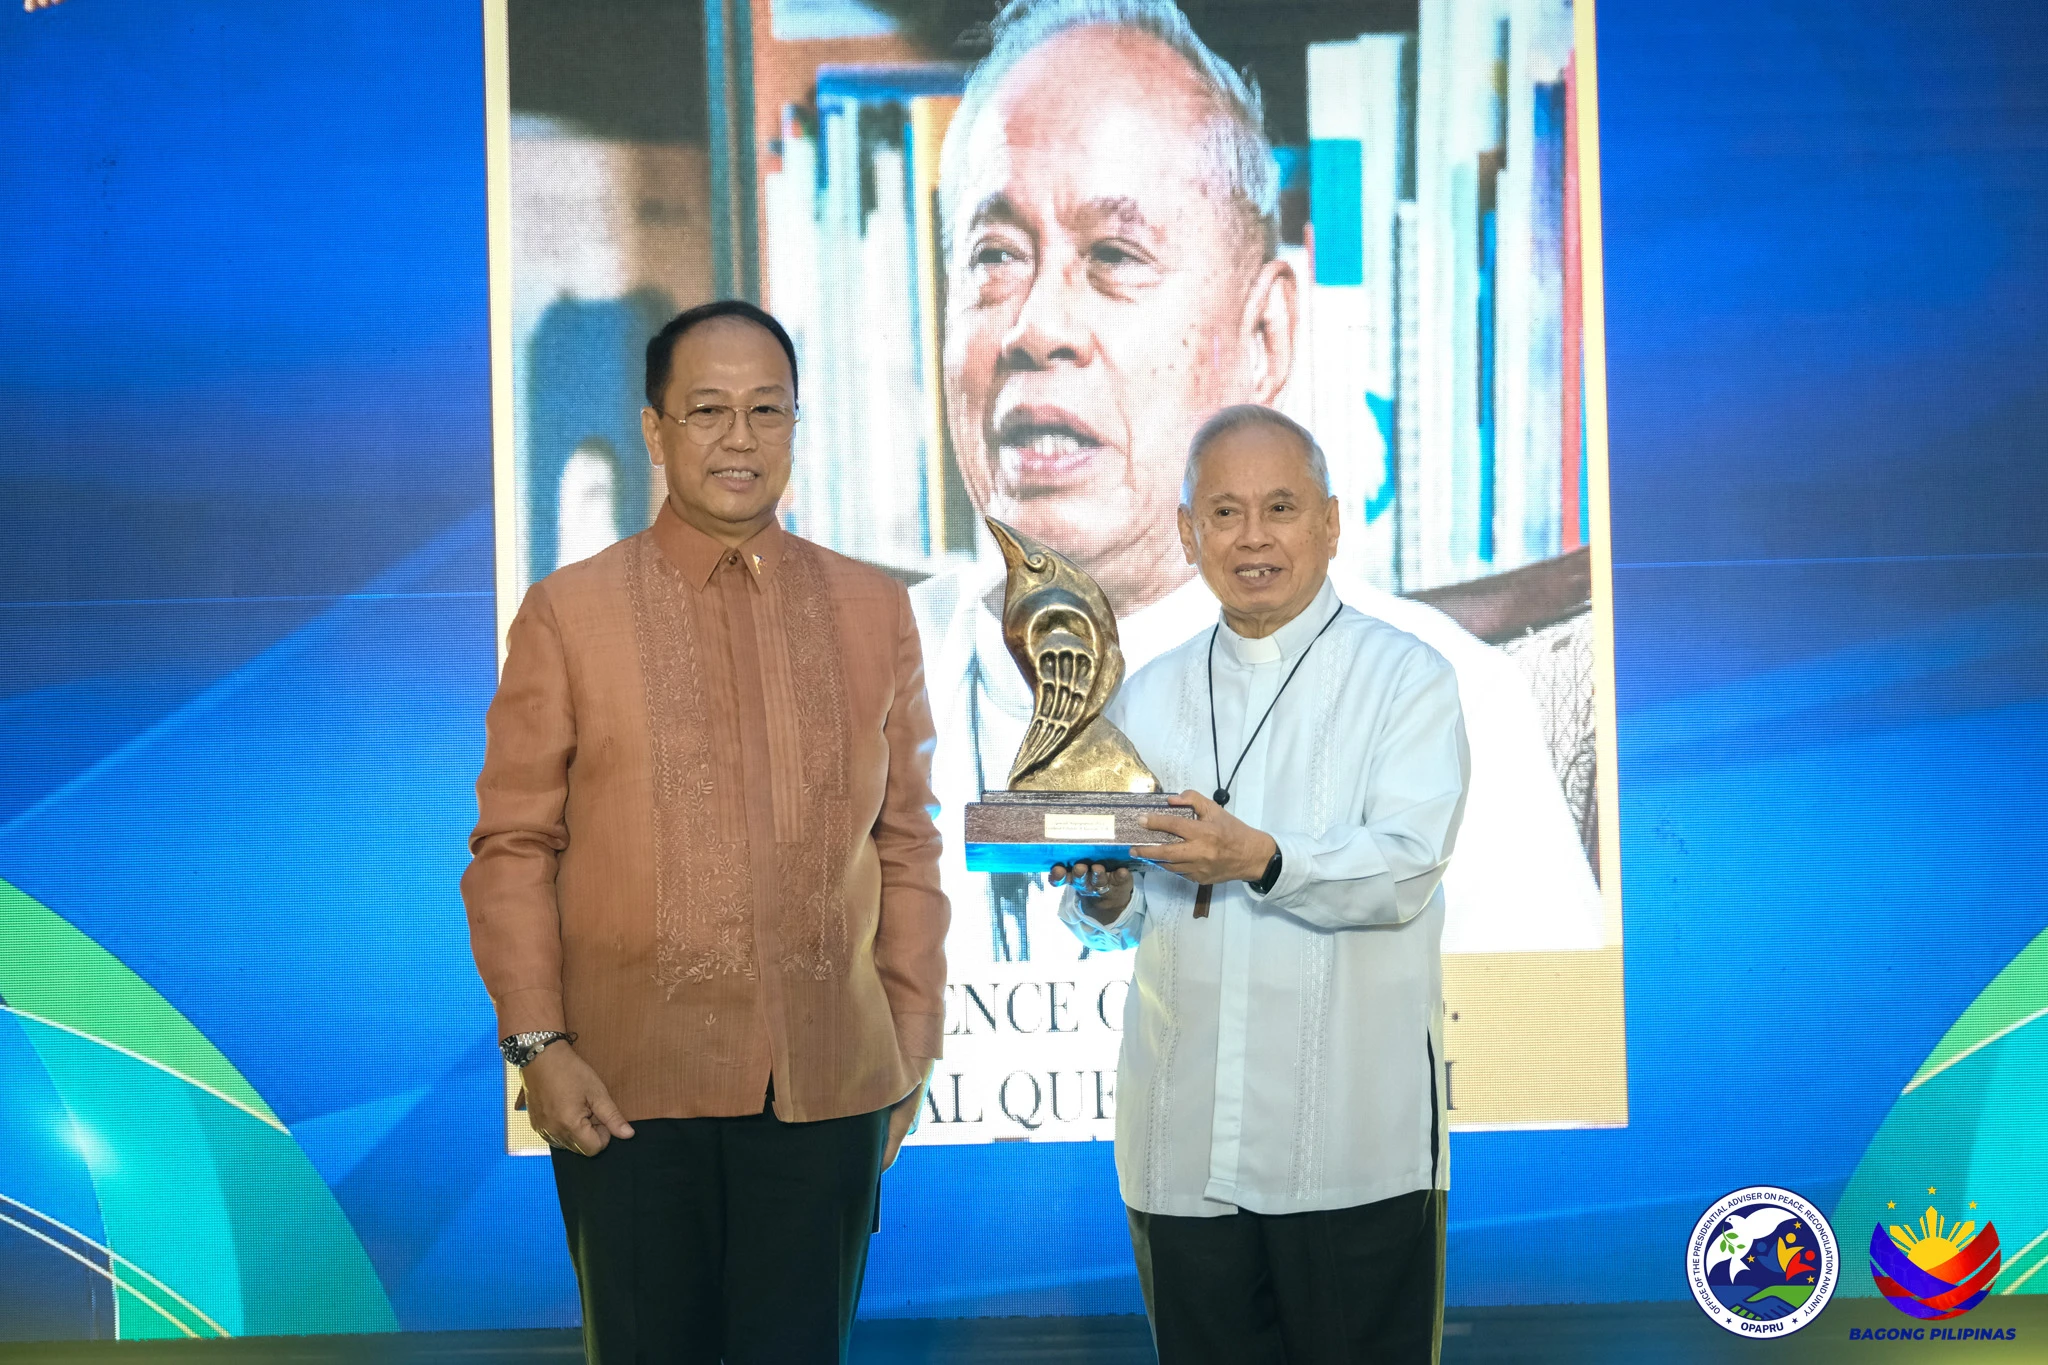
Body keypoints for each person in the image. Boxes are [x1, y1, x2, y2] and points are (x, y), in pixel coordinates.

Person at [914, 0, 1598, 963]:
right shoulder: (806, 707)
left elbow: (1548, 1100)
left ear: (1263, 335)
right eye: (994, 256)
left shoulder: (1439, 714)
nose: (1035, 326)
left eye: (1113, 256)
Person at [461, 299, 949, 1363]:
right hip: (621, 1092)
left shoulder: (873, 609)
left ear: (793, 424)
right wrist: (538, 1043)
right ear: (654, 430)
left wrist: (906, 1048)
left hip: (825, 1091)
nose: (739, 438)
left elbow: (906, 842)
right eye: (708, 410)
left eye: (765, 410)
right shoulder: (568, 613)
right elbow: (512, 850)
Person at [1052, 405, 1466, 1364]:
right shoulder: (1145, 695)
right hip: (1183, 1144)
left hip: (1353, 1150)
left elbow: (1405, 866)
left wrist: (1260, 858)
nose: (1253, 538)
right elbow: (1114, 917)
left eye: (1279, 508)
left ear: (1329, 521)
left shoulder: (1407, 678)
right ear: (1188, 531)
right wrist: (1103, 896)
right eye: (1226, 513)